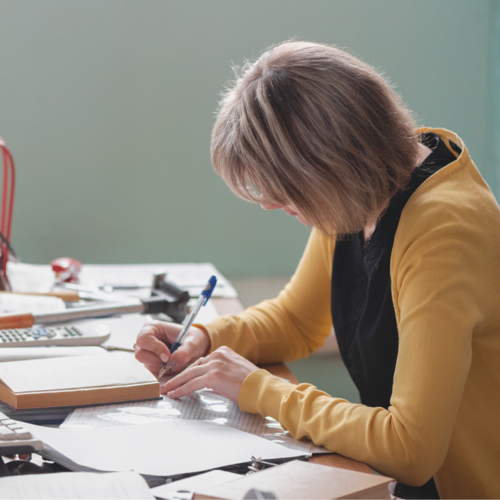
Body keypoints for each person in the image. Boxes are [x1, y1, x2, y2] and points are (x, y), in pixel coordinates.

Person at [135, 41, 500, 499]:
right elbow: (296, 322)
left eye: (282, 188)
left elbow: (411, 448)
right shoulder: (363, 189)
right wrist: (205, 339)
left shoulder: (444, 230)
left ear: (329, 163)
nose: (269, 203)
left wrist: (259, 389)